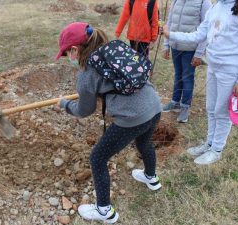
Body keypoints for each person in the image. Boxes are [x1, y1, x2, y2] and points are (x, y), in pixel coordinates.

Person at [56, 22, 162, 223]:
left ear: (75, 50)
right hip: (155, 106)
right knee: (144, 143)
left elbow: (85, 110)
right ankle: (151, 178)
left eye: (66, 53)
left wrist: (66, 105)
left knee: (97, 158)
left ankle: (104, 211)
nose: (67, 58)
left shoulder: (86, 75)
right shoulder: (115, 49)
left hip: (132, 118)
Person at [163, 0, 238, 165]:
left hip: (230, 71)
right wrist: (171, 35)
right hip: (213, 67)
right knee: (211, 108)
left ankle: (216, 150)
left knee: (221, 112)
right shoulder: (216, 7)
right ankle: (209, 143)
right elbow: (199, 34)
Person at [162, 0, 212, 123]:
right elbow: (170, 22)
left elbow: (206, 28)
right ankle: (175, 102)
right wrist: (166, 44)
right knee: (178, 75)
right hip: (175, 46)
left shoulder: (203, 2)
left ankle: (185, 107)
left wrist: (199, 52)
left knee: (187, 78)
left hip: (190, 49)